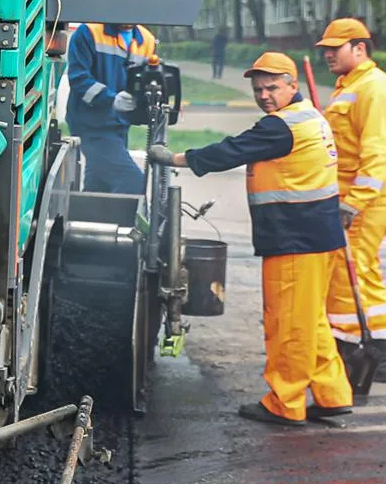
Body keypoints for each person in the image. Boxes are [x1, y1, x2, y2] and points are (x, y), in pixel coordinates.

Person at [147, 53, 352, 426]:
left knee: (288, 324)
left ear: (293, 85)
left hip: (295, 240)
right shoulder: (309, 117)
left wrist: (176, 158)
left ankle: (285, 402)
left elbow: (232, 150)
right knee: (311, 322)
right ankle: (332, 393)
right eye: (258, 89)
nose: (264, 95)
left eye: (272, 87)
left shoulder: (281, 127)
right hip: (319, 236)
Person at [317, 18, 386, 382]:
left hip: (367, 198)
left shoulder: (376, 89)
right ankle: (374, 353)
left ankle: (359, 349)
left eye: (334, 49)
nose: (327, 56)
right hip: (355, 195)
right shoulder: (351, 86)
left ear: (359, 48)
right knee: (359, 268)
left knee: (350, 270)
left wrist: (355, 202)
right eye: (324, 50)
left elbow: (378, 153)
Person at [66, 21, 156, 194]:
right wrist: (110, 99)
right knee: (132, 182)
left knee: (100, 186)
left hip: (120, 126)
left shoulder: (147, 40)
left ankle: (87, 216)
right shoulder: (89, 31)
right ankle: (129, 221)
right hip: (90, 126)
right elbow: (78, 78)